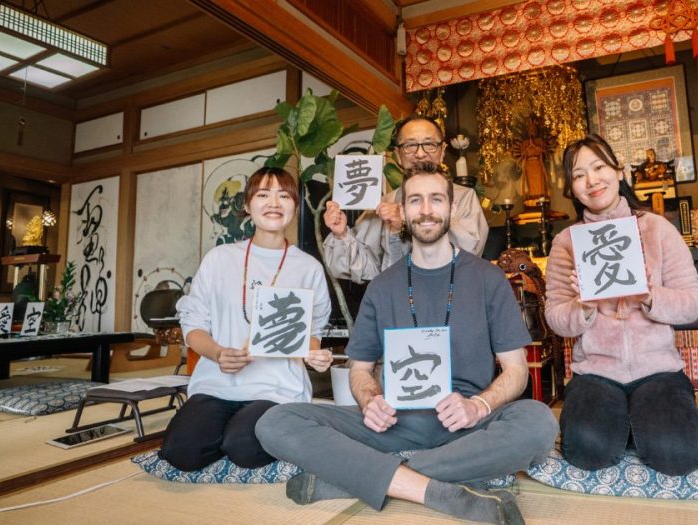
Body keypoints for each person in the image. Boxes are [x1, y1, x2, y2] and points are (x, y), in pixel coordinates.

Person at [256, 162, 558, 525]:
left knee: (538, 422)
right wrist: (370, 401)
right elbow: (360, 369)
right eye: (415, 200)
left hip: (467, 424)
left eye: (436, 199)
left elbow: (517, 369)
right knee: (276, 421)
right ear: (402, 209)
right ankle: (431, 489)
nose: (426, 210)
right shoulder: (382, 286)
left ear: (450, 207)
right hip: (395, 420)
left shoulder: (488, 279)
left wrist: (478, 406)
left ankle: (357, 481)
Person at [544, 134, 698, 475]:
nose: (591, 180)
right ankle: (626, 421)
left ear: (619, 171)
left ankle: (637, 420)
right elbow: (556, 317)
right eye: (579, 175)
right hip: (596, 372)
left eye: (599, 167)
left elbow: (693, 303)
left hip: (657, 369)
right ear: (572, 188)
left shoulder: (657, 228)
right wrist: (584, 306)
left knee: (677, 454)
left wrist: (649, 295)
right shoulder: (566, 242)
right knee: (586, 450)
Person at [159, 167, 334, 471]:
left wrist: (314, 354)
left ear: (294, 206)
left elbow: (313, 330)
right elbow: (193, 324)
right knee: (181, 452)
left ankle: (258, 430)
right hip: (217, 385)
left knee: (244, 449)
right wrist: (218, 353)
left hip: (277, 389)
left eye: (284, 196)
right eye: (263, 195)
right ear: (248, 205)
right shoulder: (219, 259)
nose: (274, 203)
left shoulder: (308, 268)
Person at [322, 115, 489, 284]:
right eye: (410, 146)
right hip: (394, 296)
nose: (420, 153)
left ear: (442, 150)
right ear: (398, 154)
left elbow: (470, 254)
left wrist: (404, 224)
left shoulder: (464, 197)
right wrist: (341, 234)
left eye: (429, 144)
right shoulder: (383, 203)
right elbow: (367, 269)